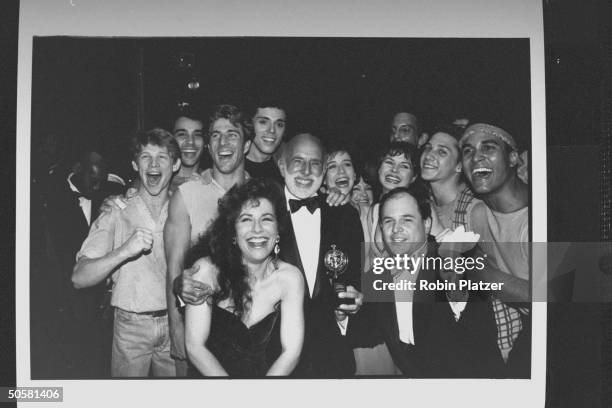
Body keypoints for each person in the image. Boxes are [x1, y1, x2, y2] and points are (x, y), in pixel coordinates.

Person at [358, 186, 500, 377]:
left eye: (406, 220)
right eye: (388, 221)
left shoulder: (455, 260)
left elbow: (481, 337)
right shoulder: (378, 277)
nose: (396, 229)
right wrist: (344, 316)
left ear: (426, 224)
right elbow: (370, 333)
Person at [72, 128, 181, 377]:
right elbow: (79, 278)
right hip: (131, 328)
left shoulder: (183, 210)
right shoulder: (116, 211)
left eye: (162, 157)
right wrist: (124, 251)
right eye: (145, 157)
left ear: (175, 164)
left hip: (176, 323)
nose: (153, 164)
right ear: (135, 164)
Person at [184, 178, 305, 376]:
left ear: (278, 231)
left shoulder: (290, 279)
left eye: (266, 219)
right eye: (246, 219)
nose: (257, 229)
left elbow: (291, 353)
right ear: (232, 231)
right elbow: (195, 347)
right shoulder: (206, 271)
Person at [164, 104, 252, 375]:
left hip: (253, 325)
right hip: (200, 328)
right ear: (208, 145)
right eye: (215, 135)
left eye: (232, 134)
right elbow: (174, 267)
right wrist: (176, 328)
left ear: (247, 145)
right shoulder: (186, 195)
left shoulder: (263, 194)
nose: (223, 142)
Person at [460, 122, 531, 377]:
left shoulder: (539, 220)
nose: (476, 156)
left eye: (488, 147)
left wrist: (488, 277)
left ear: (513, 158)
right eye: (467, 151)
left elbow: (556, 298)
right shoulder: (477, 214)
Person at [420, 123, 480, 230]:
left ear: (459, 165)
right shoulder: (422, 202)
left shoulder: (474, 210)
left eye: (442, 151)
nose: (428, 155)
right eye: (428, 148)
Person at [244, 100, 286, 183]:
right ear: (250, 124)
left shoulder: (287, 170)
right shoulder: (232, 166)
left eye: (279, 124)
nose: (272, 130)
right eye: (263, 122)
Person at [169, 112, 206, 192]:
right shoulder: (158, 185)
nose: (190, 141)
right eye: (182, 134)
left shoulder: (212, 183)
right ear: (171, 140)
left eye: (197, 135)